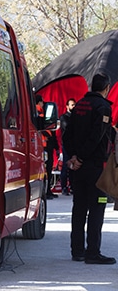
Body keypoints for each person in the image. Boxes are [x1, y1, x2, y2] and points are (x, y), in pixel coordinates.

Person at [63, 73, 116, 264]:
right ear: (106, 87)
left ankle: (77, 250)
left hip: (77, 168)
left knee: (79, 208)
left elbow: (67, 135)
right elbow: (97, 136)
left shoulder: (78, 106)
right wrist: (83, 158)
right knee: (97, 208)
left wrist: (73, 158)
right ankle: (93, 252)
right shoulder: (103, 108)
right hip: (94, 167)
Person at [37, 95, 59, 199]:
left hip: (43, 145)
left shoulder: (38, 112)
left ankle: (46, 190)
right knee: (46, 169)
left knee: (46, 169)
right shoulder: (40, 112)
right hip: (44, 145)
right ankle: (46, 191)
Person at [59, 98, 76, 196]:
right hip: (66, 145)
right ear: (67, 106)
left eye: (74, 105)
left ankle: (73, 186)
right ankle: (64, 187)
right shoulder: (64, 117)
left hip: (75, 145)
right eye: (72, 105)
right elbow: (66, 129)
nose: (73, 106)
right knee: (65, 166)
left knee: (74, 167)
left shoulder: (76, 117)